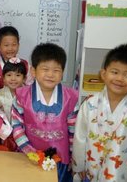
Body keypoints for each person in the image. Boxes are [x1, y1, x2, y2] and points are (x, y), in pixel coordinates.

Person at [72, 43, 127, 181]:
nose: (120, 79)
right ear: (103, 74)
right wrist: (78, 168)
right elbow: (80, 139)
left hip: (122, 173)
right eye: (115, 72)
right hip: (91, 171)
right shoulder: (89, 104)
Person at [12, 43, 79, 181]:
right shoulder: (21, 96)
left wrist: (74, 158)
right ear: (33, 71)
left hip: (60, 160)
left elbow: (74, 132)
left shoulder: (71, 98)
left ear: (62, 72)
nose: (50, 74)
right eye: (45, 69)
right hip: (29, 157)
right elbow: (17, 128)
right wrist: (30, 152)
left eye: (56, 70)